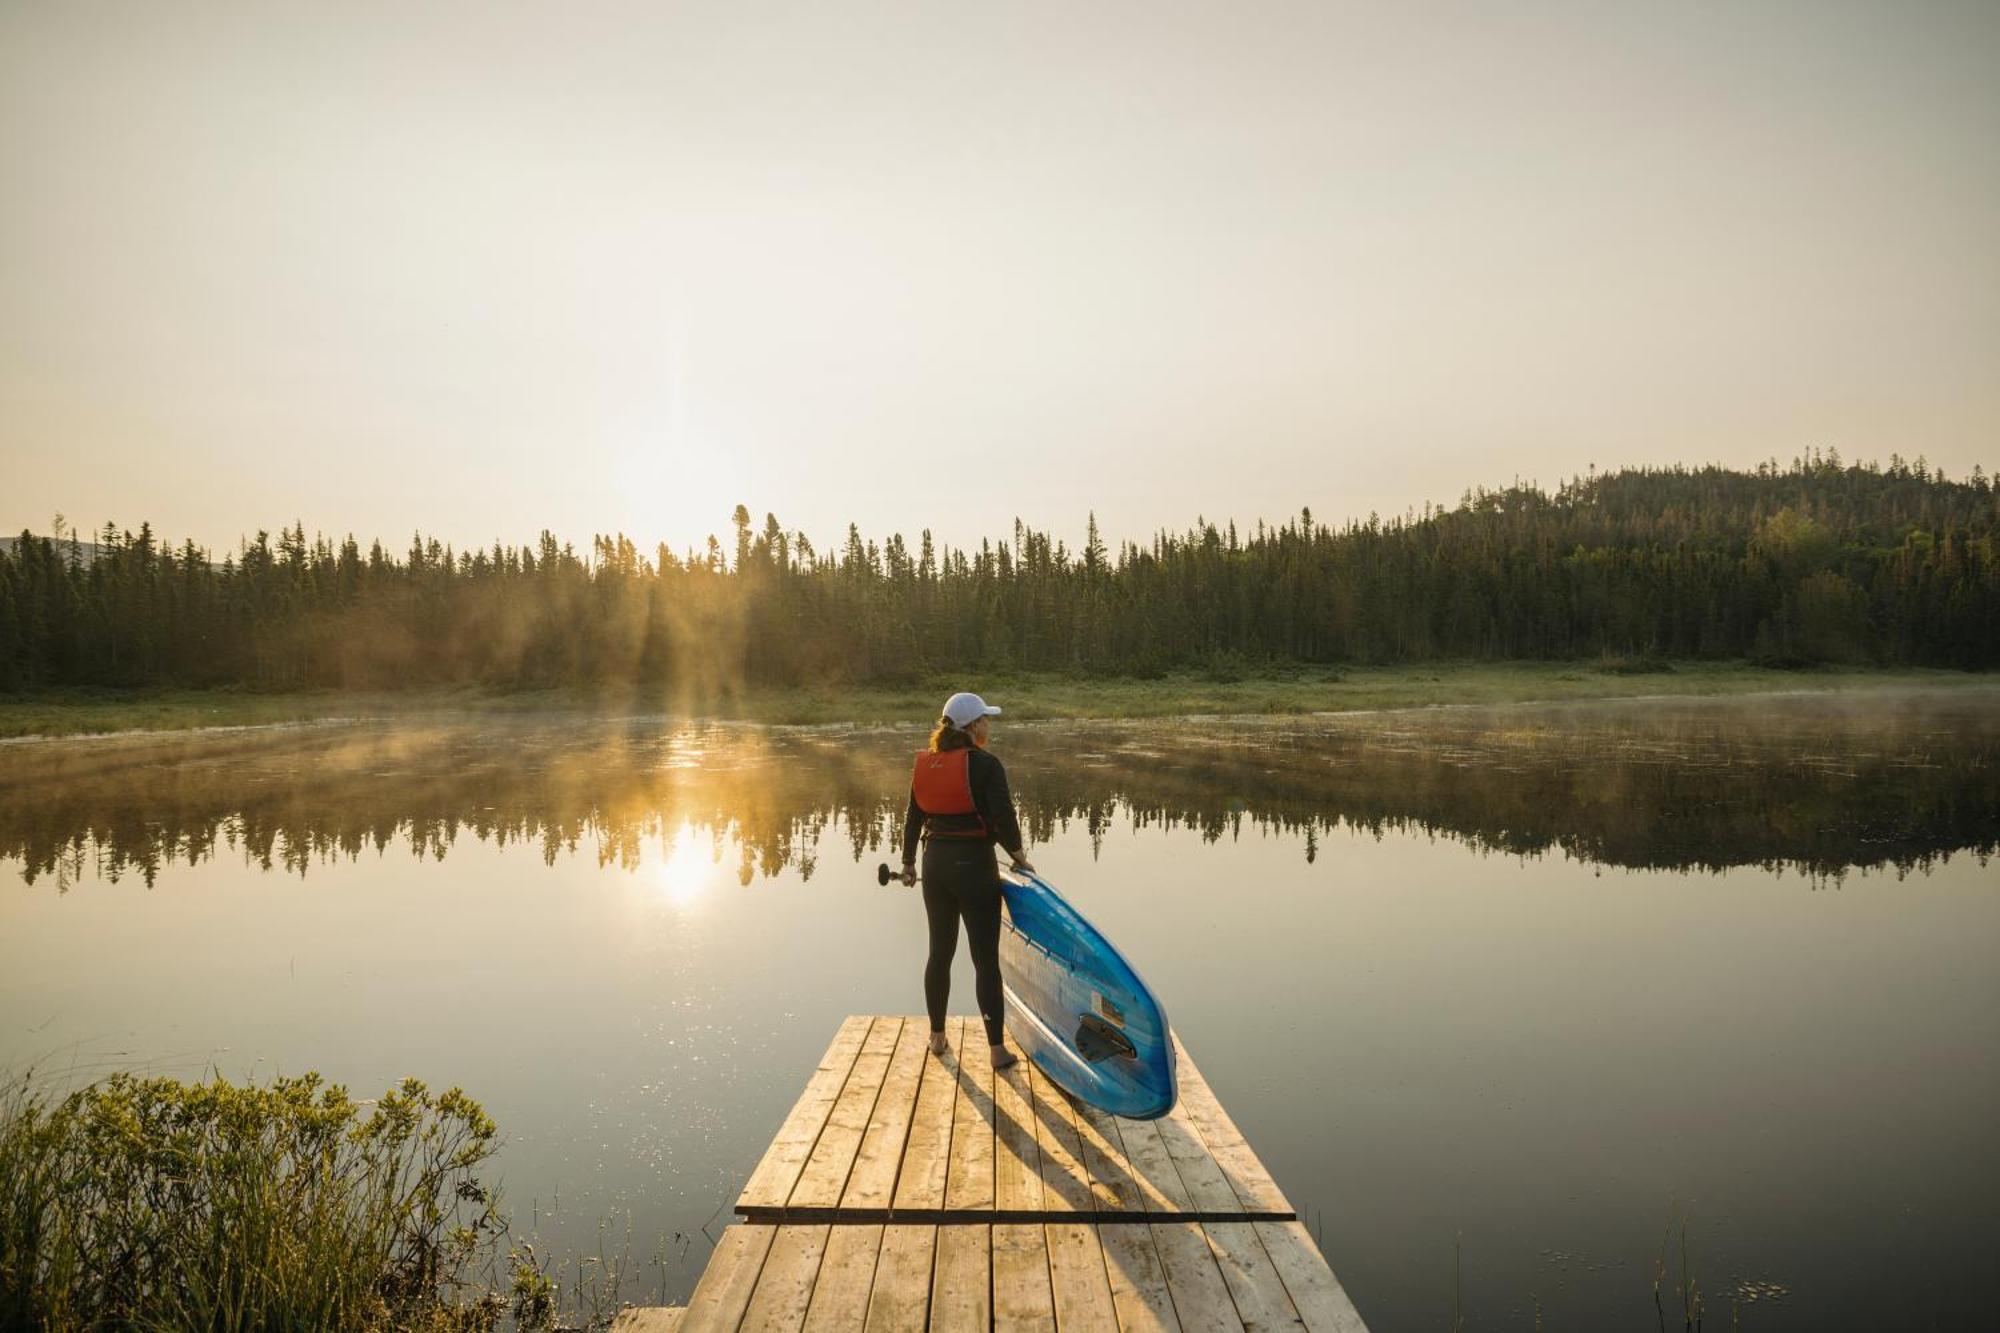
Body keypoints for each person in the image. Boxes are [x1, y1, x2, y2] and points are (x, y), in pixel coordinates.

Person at [900, 690, 1034, 1068]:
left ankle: (937, 1037)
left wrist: (909, 863)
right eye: (985, 719)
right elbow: (1003, 817)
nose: (988, 724)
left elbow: (913, 816)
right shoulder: (987, 765)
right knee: (984, 960)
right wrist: (1020, 857)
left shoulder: (926, 764)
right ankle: (995, 1050)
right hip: (974, 866)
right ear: (973, 726)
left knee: (939, 953)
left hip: (935, 866)